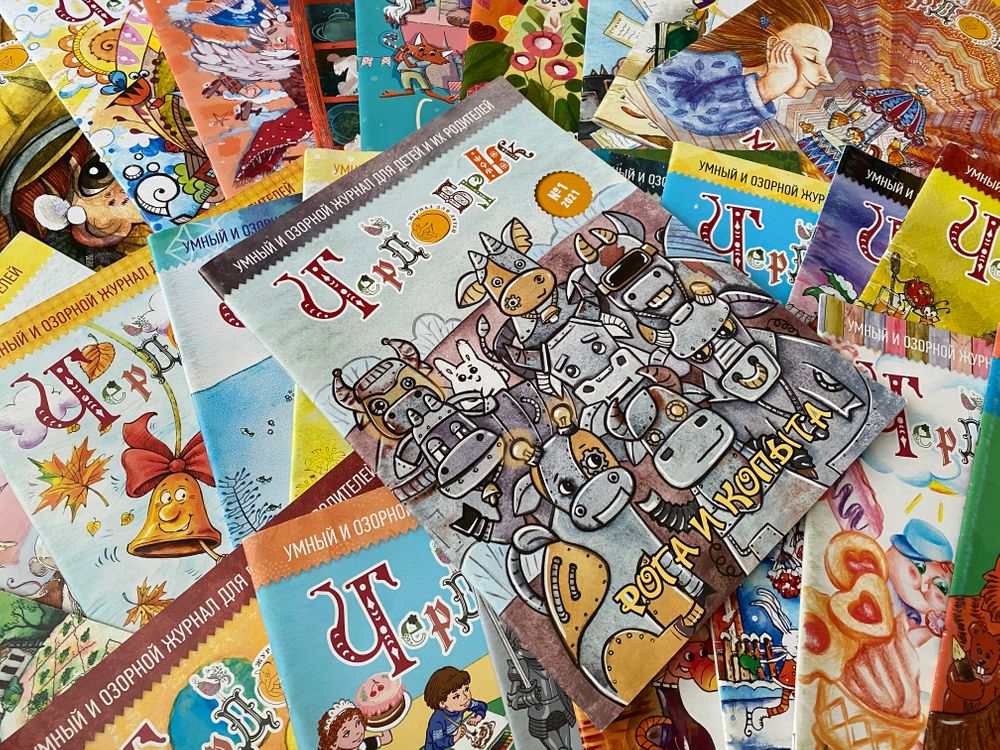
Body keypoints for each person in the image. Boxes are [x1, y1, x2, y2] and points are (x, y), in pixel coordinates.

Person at [639, 0, 833, 136]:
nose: (827, 77)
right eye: (812, 59)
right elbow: (688, 111)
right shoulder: (681, 60)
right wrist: (766, 88)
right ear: (774, 45)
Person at [885, 518, 955, 648]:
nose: (924, 587)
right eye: (919, 567)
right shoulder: (879, 574)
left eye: (941, 586)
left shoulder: (913, 615)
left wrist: (931, 629)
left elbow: (909, 640)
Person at [424, 666, 487, 749]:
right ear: (442, 703)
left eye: (466, 689)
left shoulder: (463, 704)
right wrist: (456, 736)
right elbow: (439, 742)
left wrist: (478, 717)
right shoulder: (437, 720)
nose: (465, 697)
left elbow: (481, 705)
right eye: (456, 696)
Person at [317, 700, 393, 750]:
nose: (357, 732)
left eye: (358, 723)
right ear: (333, 745)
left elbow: (387, 738)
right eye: (346, 733)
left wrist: (381, 717)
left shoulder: (363, 746)